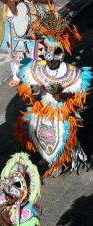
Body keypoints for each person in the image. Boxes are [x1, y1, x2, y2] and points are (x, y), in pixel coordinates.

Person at [15, 8, 91, 176]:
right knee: (38, 132)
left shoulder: (71, 72)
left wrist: (61, 95)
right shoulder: (37, 68)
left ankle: (59, 161)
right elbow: (33, 87)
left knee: (62, 134)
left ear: (60, 57)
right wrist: (35, 93)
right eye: (47, 58)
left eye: (53, 60)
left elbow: (77, 97)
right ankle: (47, 157)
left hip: (59, 110)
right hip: (42, 108)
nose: (49, 63)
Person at [0, 0, 52, 87]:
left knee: (34, 51)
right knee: (14, 52)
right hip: (12, 20)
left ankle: (35, 79)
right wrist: (4, 15)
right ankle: (16, 76)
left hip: (30, 18)